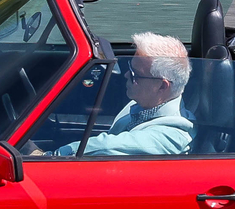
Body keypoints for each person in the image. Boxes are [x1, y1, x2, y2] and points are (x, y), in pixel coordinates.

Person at [62, 32, 195, 157]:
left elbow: (106, 147)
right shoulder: (141, 104)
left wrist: (56, 155)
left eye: (135, 75)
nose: (126, 75)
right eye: (129, 68)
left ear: (162, 86)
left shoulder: (172, 136)